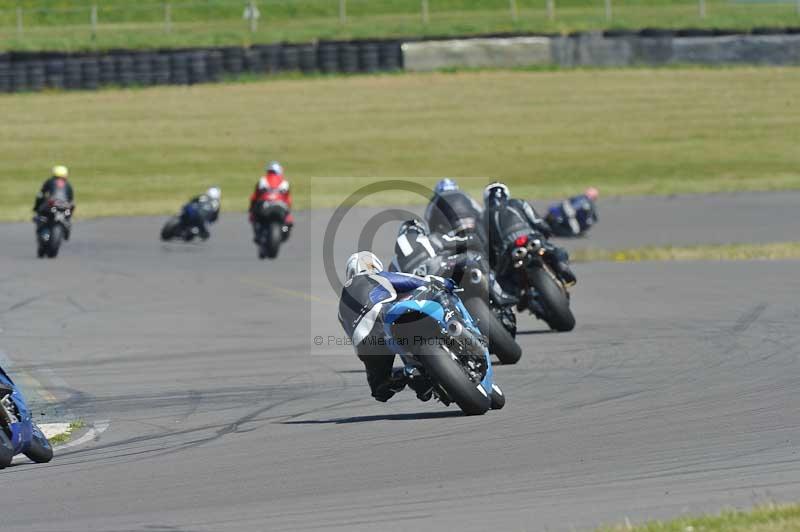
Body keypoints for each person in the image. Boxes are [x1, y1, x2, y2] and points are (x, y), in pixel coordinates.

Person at [338, 251, 459, 403]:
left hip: (364, 346)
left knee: (380, 389)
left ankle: (409, 376)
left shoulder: (341, 306)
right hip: (383, 319)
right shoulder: (372, 276)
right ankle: (453, 327)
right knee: (434, 292)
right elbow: (413, 281)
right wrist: (442, 283)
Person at [482, 181, 576, 285]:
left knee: (501, 280)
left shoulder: (483, 216)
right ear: (506, 194)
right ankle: (562, 267)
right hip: (530, 237)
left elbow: (487, 246)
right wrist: (545, 233)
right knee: (558, 251)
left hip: (508, 249)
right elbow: (538, 222)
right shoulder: (519, 202)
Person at [389, 219, 482, 277]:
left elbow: (393, 282)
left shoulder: (394, 262)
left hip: (414, 291)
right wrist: (473, 238)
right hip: (436, 270)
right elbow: (463, 241)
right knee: (474, 256)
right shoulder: (431, 238)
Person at [424, 178, 486, 242]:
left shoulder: (436, 199)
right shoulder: (464, 195)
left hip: (451, 231)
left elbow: (427, 219)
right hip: (473, 225)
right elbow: (480, 212)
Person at [249, 161, 293, 241]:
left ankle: (258, 233)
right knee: (287, 222)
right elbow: (288, 200)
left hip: (265, 206)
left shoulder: (262, 180)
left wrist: (251, 209)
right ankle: (284, 231)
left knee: (254, 217)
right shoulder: (285, 183)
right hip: (281, 207)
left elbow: (254, 197)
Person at [33, 165, 75, 239]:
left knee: (41, 214)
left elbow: (41, 194)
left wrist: (36, 208)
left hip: (52, 203)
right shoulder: (68, 184)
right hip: (66, 205)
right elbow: (71, 198)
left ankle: (41, 221)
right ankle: (67, 222)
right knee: (70, 210)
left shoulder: (50, 181)